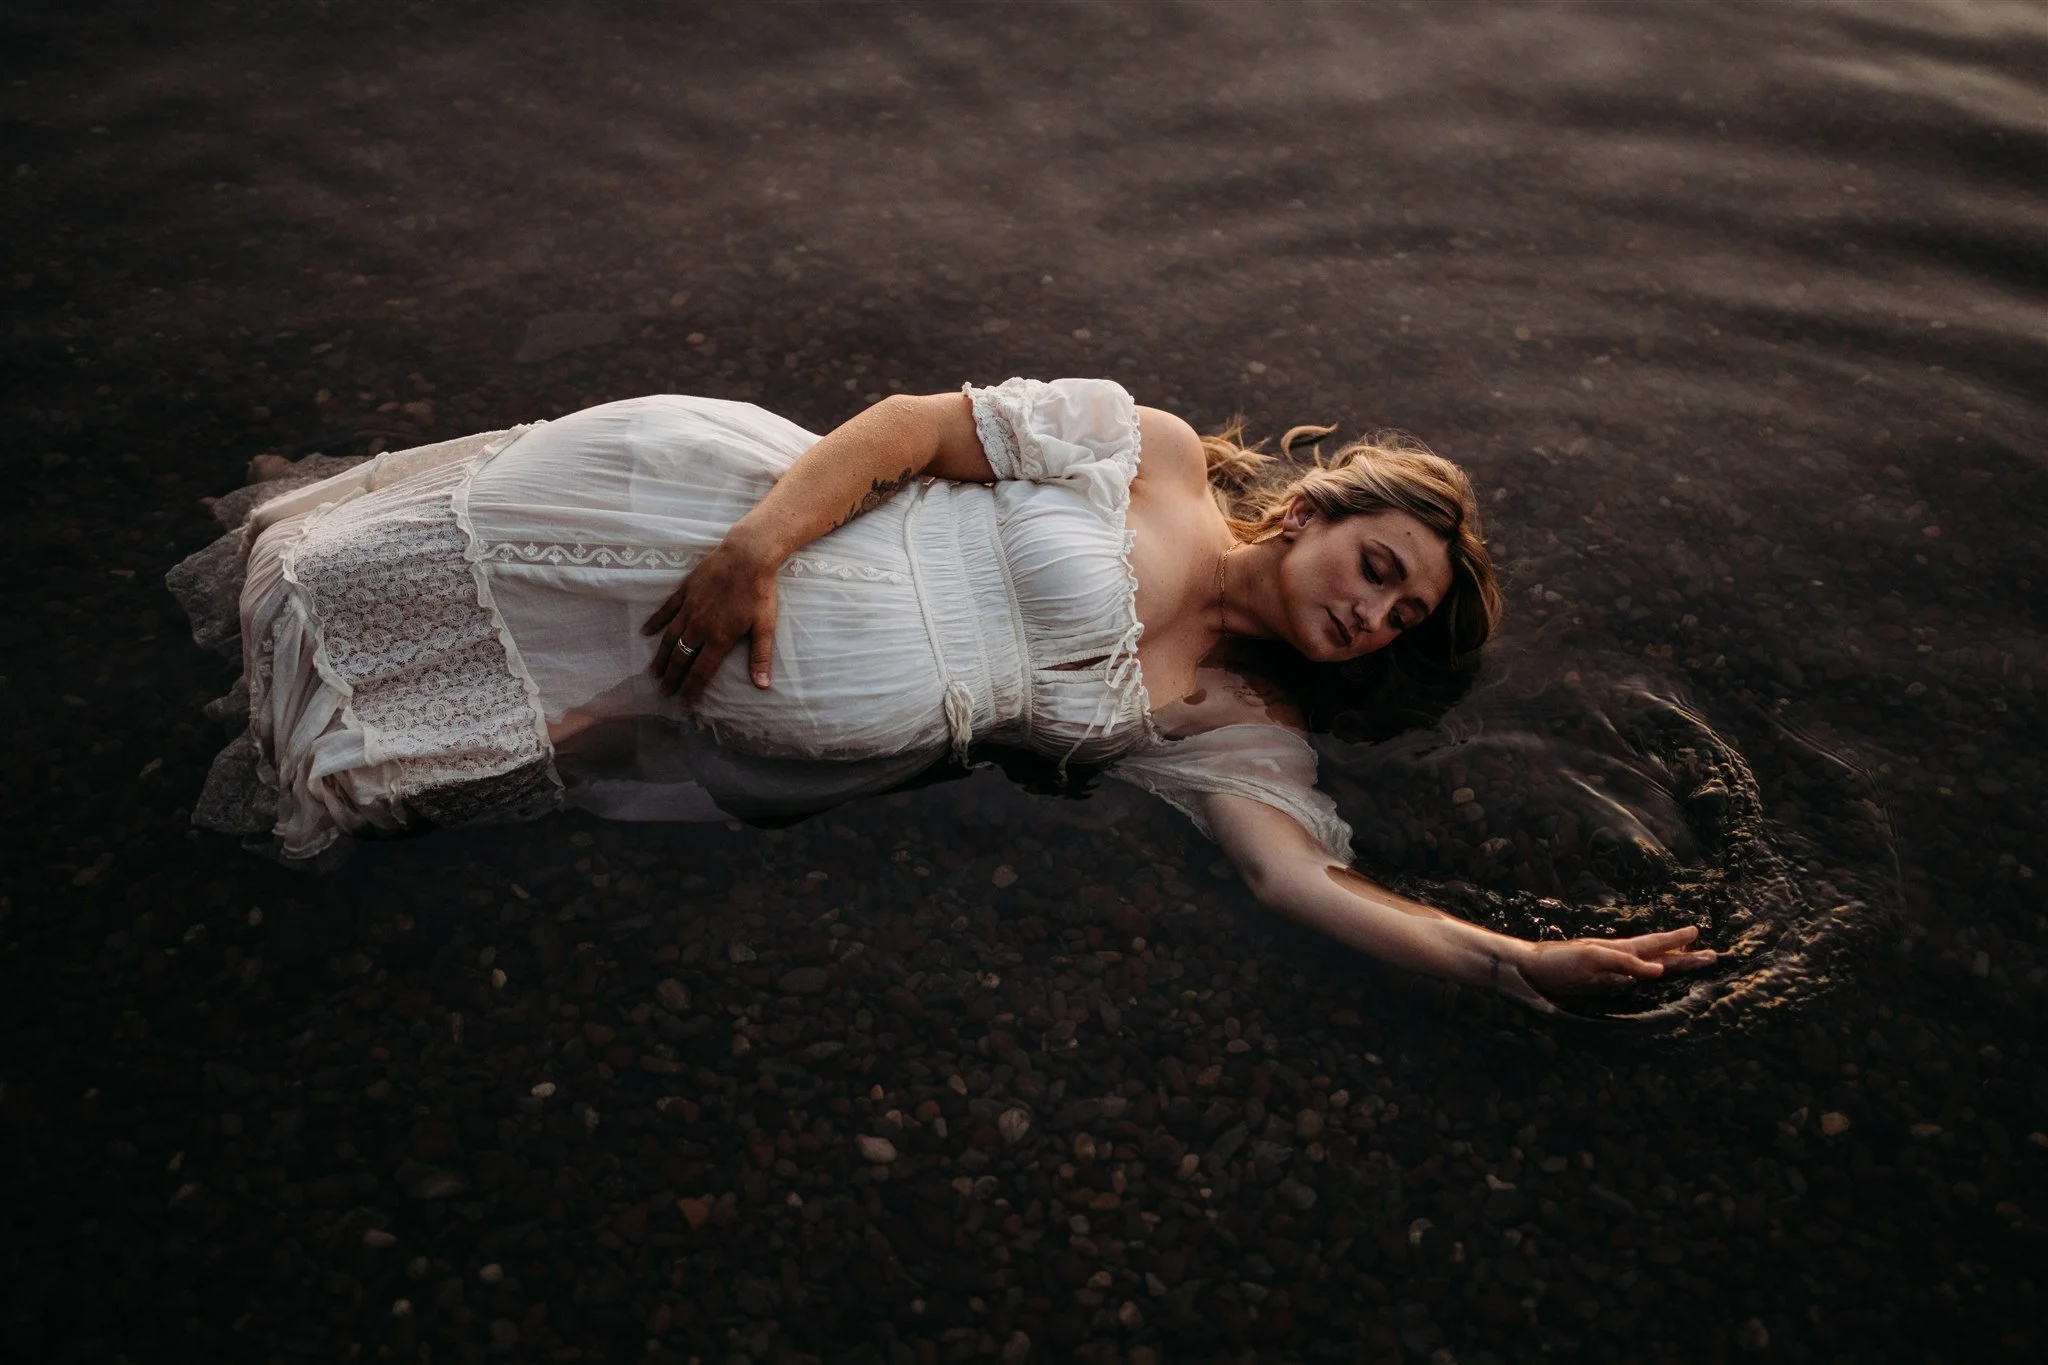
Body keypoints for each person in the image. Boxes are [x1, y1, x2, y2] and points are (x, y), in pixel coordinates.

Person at [171, 377, 1715, 1012]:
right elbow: (911, 429)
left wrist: (1511, 957)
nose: (1373, 613)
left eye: (1400, 621)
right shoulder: (1152, 451)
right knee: (377, 571)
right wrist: (754, 556)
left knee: (375, 771)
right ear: (1314, 513)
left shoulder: (1234, 723)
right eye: (1382, 566)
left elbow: (1295, 880)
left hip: (759, 717)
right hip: (719, 517)